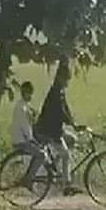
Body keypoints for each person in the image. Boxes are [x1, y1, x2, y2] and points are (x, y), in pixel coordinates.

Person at [35, 61, 81, 195]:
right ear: (60, 77)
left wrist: (73, 122)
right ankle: (67, 185)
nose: (67, 82)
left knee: (72, 139)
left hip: (55, 129)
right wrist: (71, 123)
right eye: (67, 79)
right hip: (50, 130)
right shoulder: (55, 92)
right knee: (66, 155)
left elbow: (65, 108)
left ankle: (55, 167)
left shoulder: (59, 91)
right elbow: (60, 112)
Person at [11, 81, 46, 187]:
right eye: (30, 94)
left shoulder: (23, 105)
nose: (31, 96)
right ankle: (28, 180)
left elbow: (31, 119)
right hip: (21, 141)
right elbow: (25, 127)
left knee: (39, 151)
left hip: (23, 138)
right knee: (42, 155)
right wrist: (32, 140)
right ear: (25, 93)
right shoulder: (21, 108)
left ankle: (30, 176)